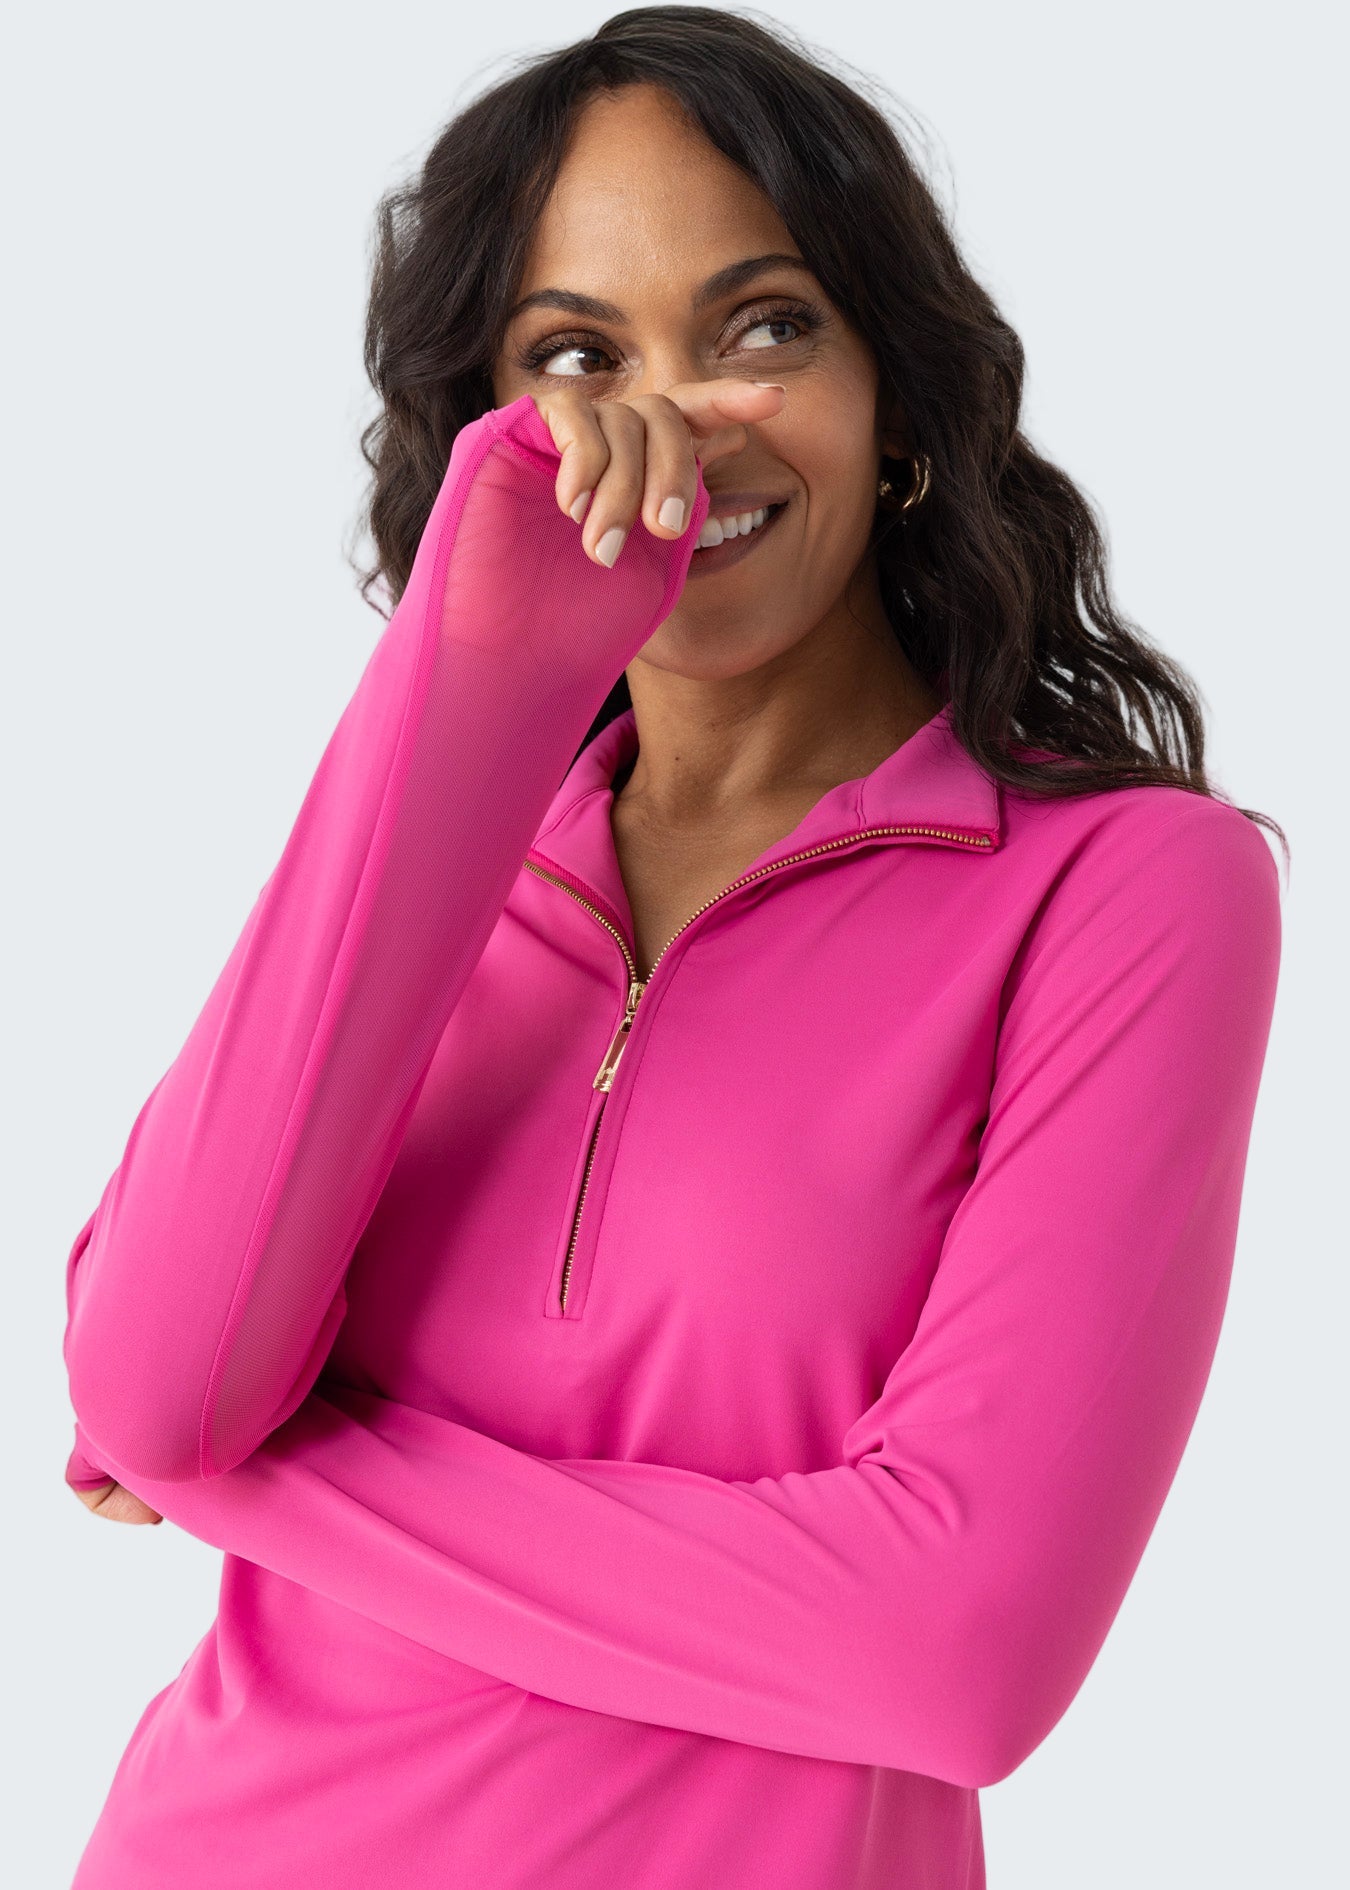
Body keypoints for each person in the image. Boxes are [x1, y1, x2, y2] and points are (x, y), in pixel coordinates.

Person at [62, 11, 1286, 1888]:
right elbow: (147, 1377)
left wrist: (273, 1472)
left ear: (895, 395)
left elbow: (950, 1651)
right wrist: (472, 688)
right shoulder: (433, 853)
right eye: (576, 353)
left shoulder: (1124, 890)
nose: (668, 422)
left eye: (764, 327)